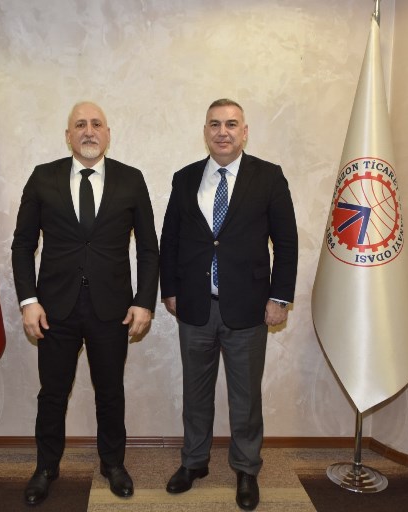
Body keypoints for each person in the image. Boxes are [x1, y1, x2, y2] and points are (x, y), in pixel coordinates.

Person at [11, 101, 159, 505]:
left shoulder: (131, 179)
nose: (88, 131)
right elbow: (23, 245)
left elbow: (149, 248)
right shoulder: (43, 177)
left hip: (112, 309)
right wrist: (29, 300)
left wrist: (144, 302)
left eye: (96, 124)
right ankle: (46, 467)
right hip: (53, 309)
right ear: (68, 135)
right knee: (52, 393)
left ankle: (113, 465)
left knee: (110, 391)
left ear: (108, 133)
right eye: (80, 124)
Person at [159, 98, 298, 511]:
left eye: (231, 124)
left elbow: (286, 243)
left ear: (245, 131)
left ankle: (246, 468)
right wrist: (170, 289)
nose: (223, 132)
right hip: (196, 307)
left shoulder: (268, 177)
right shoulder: (185, 178)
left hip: (250, 308)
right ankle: (194, 462)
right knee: (195, 392)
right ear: (205, 131)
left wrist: (279, 298)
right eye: (215, 124)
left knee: (245, 396)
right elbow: (170, 239)